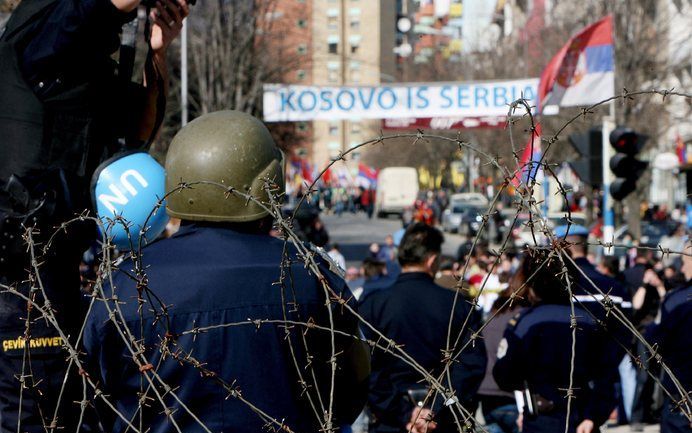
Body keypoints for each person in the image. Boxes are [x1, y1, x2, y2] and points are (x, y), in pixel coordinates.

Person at [83, 111, 370, 432]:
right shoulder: (310, 275)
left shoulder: (127, 284)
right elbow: (348, 395)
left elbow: (95, 400)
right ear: (266, 184)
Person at [0, 1, 185, 431]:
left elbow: (139, 134)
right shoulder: (45, 29)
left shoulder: (90, 75)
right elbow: (93, 8)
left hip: (59, 273)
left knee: (72, 413)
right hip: (18, 281)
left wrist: (157, 51)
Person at [359, 223, 487, 433]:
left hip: (391, 421)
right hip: (443, 421)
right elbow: (470, 366)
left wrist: (404, 412)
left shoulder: (374, 305)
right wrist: (436, 410)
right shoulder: (458, 307)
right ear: (432, 260)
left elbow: (366, 369)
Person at [493, 250, 618, 433]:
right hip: (581, 417)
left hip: (542, 415)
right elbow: (606, 377)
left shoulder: (524, 323)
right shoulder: (589, 321)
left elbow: (504, 375)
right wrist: (593, 416)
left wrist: (530, 385)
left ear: (532, 283)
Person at [649, 243, 692, 433]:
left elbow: (655, 340)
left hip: (682, 391)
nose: (682, 268)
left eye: (684, 262)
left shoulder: (676, 300)